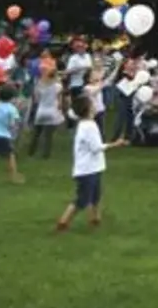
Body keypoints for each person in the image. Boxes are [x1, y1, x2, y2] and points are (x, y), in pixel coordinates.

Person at [55, 93, 128, 232]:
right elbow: (96, 147)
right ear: (88, 109)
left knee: (96, 195)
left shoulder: (85, 124)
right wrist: (116, 144)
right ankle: (63, 222)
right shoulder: (89, 126)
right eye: (92, 105)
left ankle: (95, 219)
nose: (95, 107)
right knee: (82, 199)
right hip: (87, 169)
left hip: (93, 168)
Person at [27, 68, 65, 158]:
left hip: (41, 110)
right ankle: (46, 155)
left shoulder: (40, 86)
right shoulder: (57, 86)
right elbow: (60, 96)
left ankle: (31, 152)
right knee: (48, 136)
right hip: (51, 111)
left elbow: (36, 99)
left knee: (36, 133)